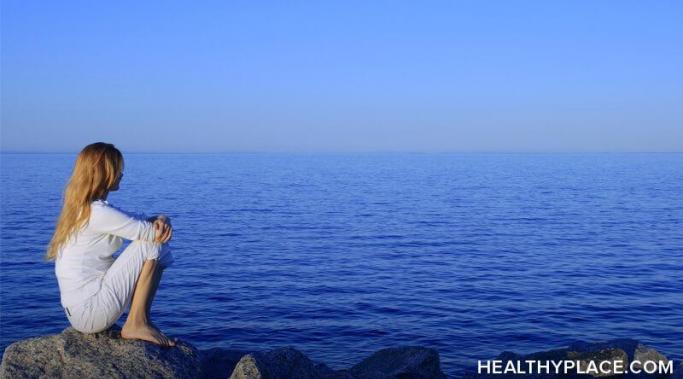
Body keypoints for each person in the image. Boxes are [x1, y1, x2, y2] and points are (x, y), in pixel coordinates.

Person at [45, 142, 177, 347]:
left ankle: (141, 320)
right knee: (151, 246)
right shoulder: (98, 213)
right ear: (104, 173)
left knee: (151, 244)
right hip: (90, 311)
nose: (122, 173)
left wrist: (161, 218)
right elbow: (152, 234)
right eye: (117, 168)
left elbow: (142, 221)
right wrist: (162, 222)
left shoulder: (86, 209)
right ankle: (136, 322)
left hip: (82, 312)